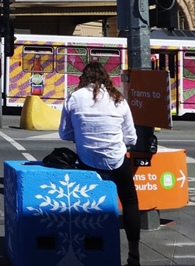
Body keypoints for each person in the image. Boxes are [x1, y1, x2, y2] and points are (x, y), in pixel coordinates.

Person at [58, 61, 140, 266]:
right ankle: (134, 254)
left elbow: (64, 133)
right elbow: (131, 138)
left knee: (87, 206)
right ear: (105, 77)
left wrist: (81, 135)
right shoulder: (118, 99)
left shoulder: (74, 97)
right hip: (117, 159)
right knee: (130, 202)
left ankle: (91, 251)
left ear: (83, 77)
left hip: (87, 160)